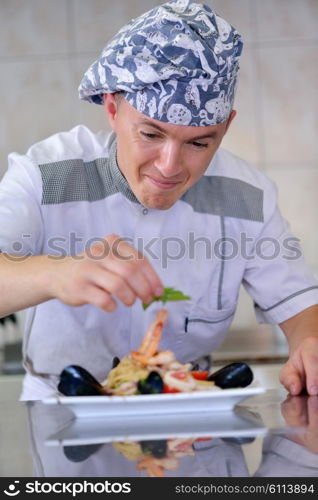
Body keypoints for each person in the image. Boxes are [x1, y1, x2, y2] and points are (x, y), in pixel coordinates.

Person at [0, 0, 317, 400]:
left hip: (190, 420)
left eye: (199, 143)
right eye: (150, 135)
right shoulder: (45, 175)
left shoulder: (246, 195)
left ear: (225, 127)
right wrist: (53, 272)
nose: (169, 167)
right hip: (64, 421)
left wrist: (310, 343)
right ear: (112, 108)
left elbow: (300, 307)